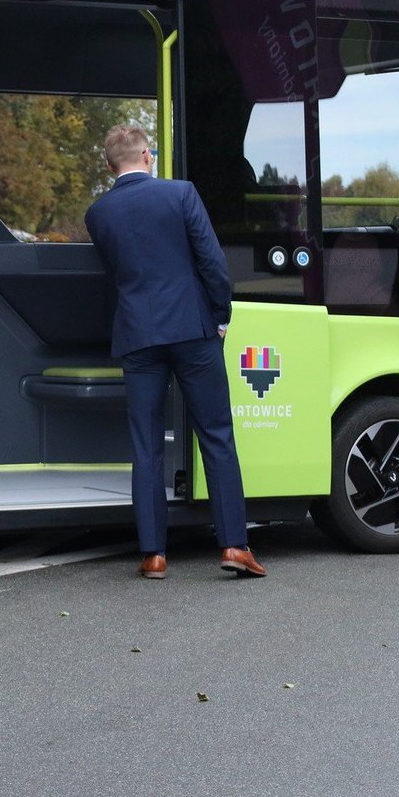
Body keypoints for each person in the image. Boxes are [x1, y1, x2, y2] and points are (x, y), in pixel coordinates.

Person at [85, 124, 266, 580]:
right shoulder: (181, 194)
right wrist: (221, 314)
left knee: (146, 445)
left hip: (137, 336)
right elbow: (211, 260)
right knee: (217, 436)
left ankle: (153, 555)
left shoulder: (98, 213)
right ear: (149, 156)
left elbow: (115, 275)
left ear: (110, 165)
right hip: (193, 330)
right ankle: (233, 546)